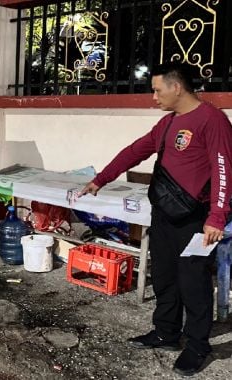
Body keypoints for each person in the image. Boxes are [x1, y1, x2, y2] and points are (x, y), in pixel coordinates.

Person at [80, 62, 232, 376]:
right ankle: (165, 332)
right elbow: (136, 150)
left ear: (177, 87)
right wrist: (101, 178)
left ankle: (197, 346)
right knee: (164, 276)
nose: (153, 97)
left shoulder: (212, 120)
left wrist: (217, 217)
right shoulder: (166, 124)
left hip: (197, 220)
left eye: (157, 89)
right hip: (164, 215)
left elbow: (223, 170)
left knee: (194, 284)